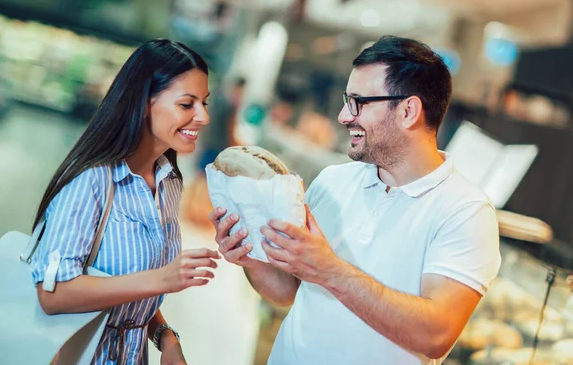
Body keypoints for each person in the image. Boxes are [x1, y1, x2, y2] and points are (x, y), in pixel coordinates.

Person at [210, 36, 501, 364]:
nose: (343, 116)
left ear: (409, 111)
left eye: (358, 102)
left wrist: (329, 270)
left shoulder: (466, 212)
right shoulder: (334, 180)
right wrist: (250, 257)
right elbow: (287, 291)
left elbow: (435, 335)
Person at [32, 39, 221, 365]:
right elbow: (52, 294)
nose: (203, 116)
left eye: (204, 103)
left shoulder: (168, 183)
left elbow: (127, 289)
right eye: (187, 104)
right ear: (146, 102)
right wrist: (163, 278)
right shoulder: (92, 182)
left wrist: (165, 337)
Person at [196, 76, 246, 172]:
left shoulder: (220, 101)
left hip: (209, 145)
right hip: (218, 149)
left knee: (201, 175)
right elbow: (230, 132)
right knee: (207, 178)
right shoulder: (231, 107)